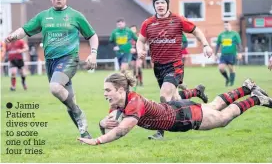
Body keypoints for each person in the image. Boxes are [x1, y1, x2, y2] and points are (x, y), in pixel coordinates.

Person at [4, 0, 99, 139]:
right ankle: (84, 134)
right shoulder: (43, 16)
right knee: (69, 99)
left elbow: (92, 36)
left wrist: (93, 53)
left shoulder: (76, 16)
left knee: (55, 87)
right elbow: (25, 29)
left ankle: (78, 112)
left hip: (69, 58)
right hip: (50, 62)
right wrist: (13, 36)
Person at [78, 71, 271, 146]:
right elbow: (109, 123)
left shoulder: (134, 102)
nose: (105, 94)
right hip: (177, 109)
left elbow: (121, 131)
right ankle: (246, 87)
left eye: (107, 90)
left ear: (120, 90)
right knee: (213, 106)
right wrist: (102, 124)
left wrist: (97, 140)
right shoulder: (119, 102)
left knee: (222, 119)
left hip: (183, 116)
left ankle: (255, 98)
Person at [136, 0, 213, 139]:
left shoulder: (177, 19)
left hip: (174, 65)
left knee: (164, 96)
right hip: (158, 67)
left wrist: (205, 45)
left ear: (167, 4)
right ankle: (198, 98)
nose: (160, 5)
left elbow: (196, 31)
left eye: (162, 3)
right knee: (175, 100)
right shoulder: (148, 23)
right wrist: (140, 50)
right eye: (157, 3)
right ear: (154, 5)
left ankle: (160, 131)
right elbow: (140, 40)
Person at [215, 21, 242, 87]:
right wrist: (215, 54)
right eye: (225, 25)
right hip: (223, 55)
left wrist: (240, 53)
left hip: (232, 54)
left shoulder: (235, 34)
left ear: (230, 26)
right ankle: (227, 79)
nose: (226, 27)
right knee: (221, 68)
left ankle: (231, 83)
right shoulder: (221, 35)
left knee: (231, 69)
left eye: (227, 25)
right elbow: (218, 45)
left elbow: (239, 45)